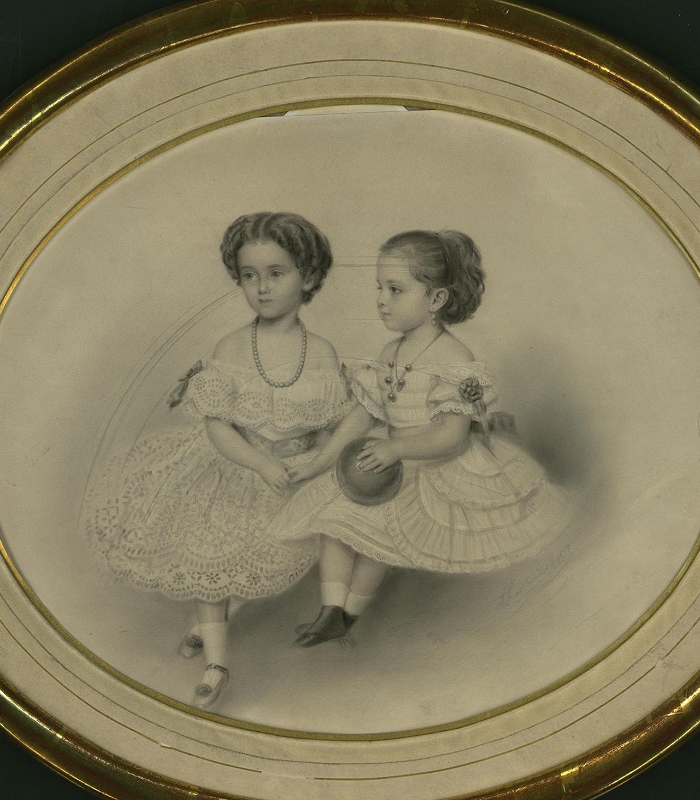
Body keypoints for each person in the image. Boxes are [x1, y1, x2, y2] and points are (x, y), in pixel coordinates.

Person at [88, 212, 350, 707]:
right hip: (234, 471)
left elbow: (329, 421)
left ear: (309, 276)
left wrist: (312, 461)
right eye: (249, 276)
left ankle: (209, 627)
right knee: (211, 557)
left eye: (276, 273)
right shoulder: (231, 348)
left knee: (259, 561)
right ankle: (217, 663)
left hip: (293, 477)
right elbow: (217, 427)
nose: (262, 288)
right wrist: (260, 463)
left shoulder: (322, 353)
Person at [274, 229, 570, 646]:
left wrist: (396, 448)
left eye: (395, 290)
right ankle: (330, 610)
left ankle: (348, 615)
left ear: (436, 299)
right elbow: (365, 415)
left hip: (432, 465)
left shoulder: (453, 359)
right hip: (385, 461)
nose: (381, 299)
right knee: (332, 523)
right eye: (379, 287)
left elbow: (451, 437)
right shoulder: (388, 354)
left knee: (378, 538)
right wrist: (319, 462)